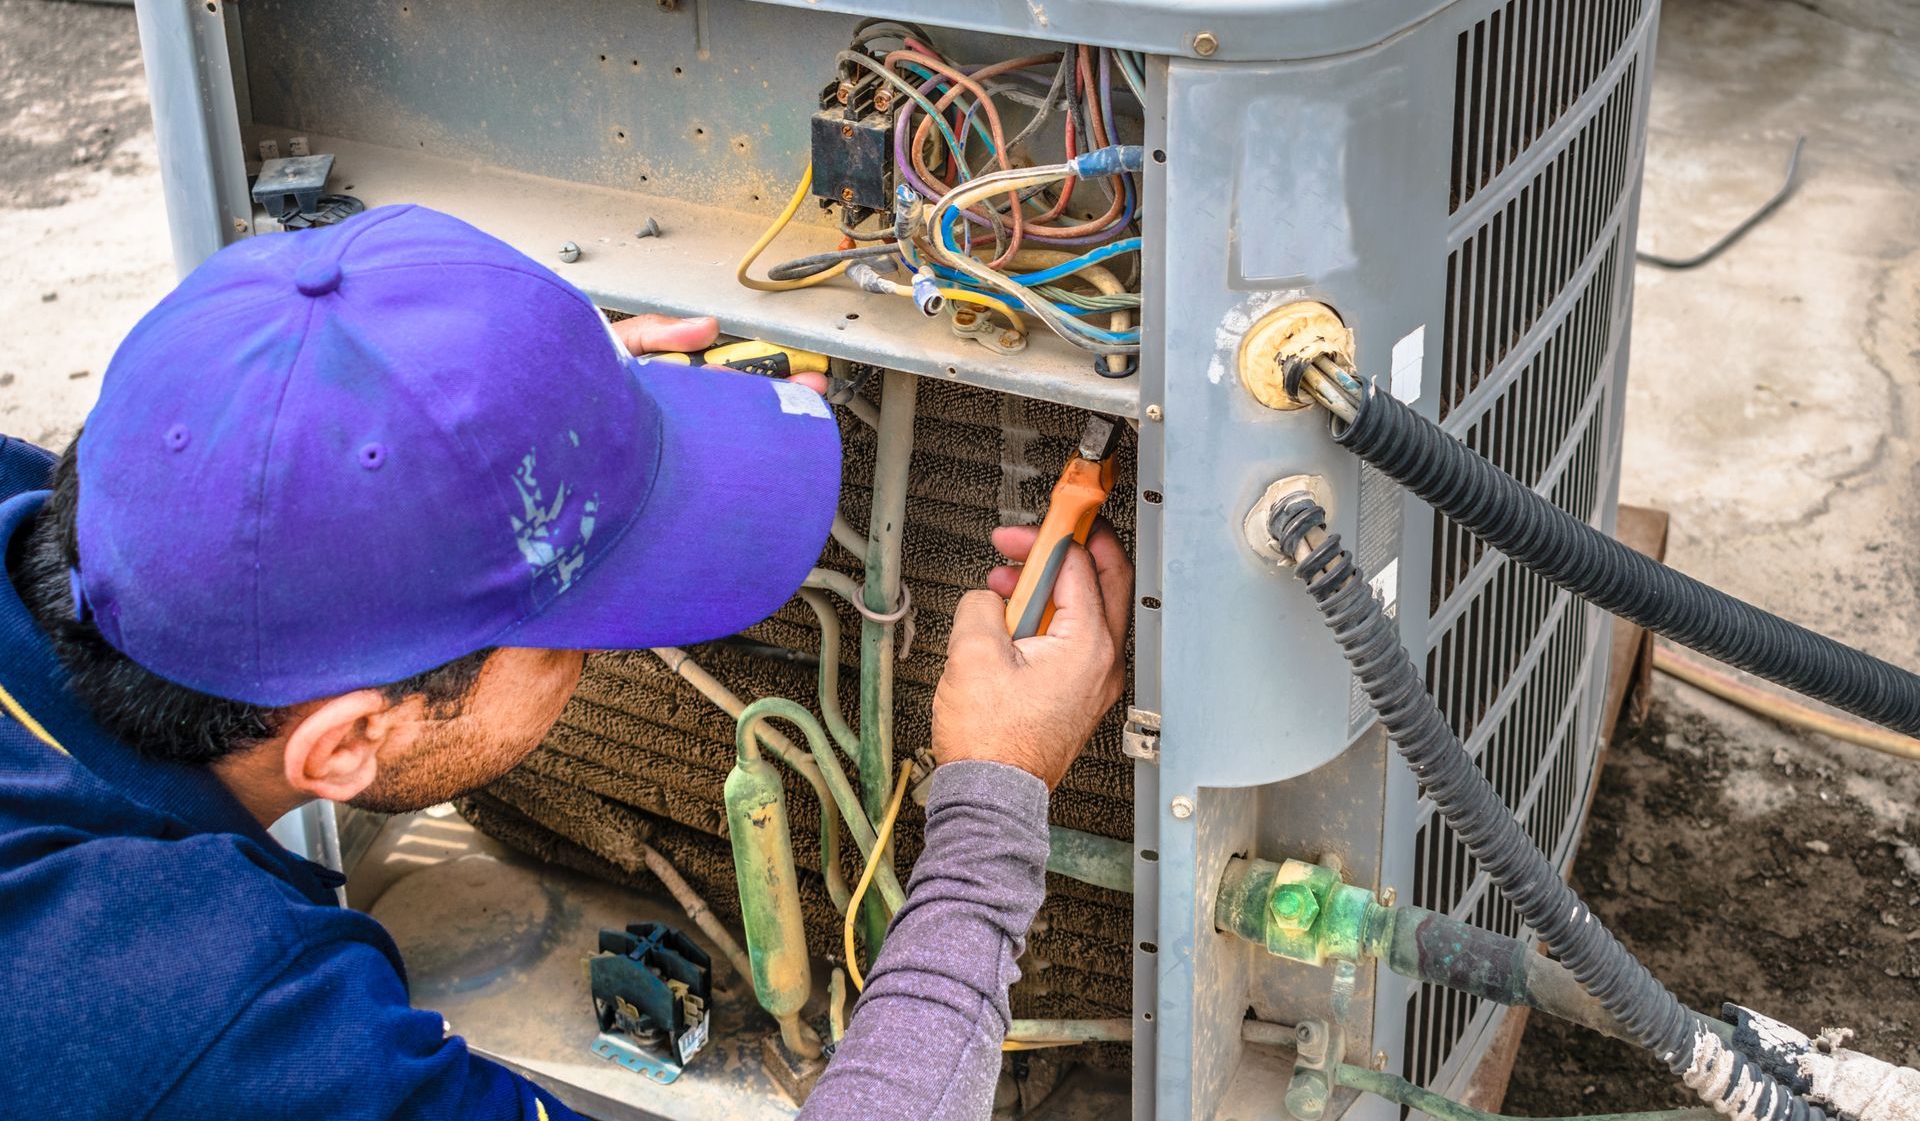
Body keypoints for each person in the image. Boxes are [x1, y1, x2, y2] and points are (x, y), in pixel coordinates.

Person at [0, 204, 1131, 1121]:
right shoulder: (202, 1033)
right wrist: (992, 808)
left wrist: (515, 392)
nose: (611, 651)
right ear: (349, 743)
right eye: (577, 629)